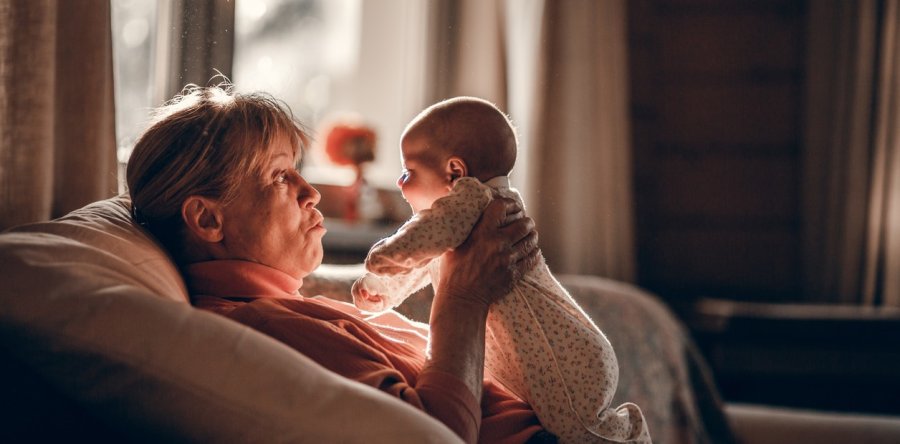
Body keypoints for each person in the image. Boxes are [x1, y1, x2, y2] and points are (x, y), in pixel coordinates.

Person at [125, 84, 553, 444]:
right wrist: (465, 296)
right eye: (279, 176)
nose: (310, 192)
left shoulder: (291, 309)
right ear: (207, 218)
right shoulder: (265, 326)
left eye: (297, 170)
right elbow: (437, 434)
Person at [351, 97, 651, 444]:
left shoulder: (476, 202)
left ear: (455, 173)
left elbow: (417, 242)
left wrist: (381, 258)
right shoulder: (468, 224)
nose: (401, 184)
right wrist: (382, 290)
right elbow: (426, 260)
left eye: (408, 173)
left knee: (580, 433)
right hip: (575, 356)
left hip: (569, 362)